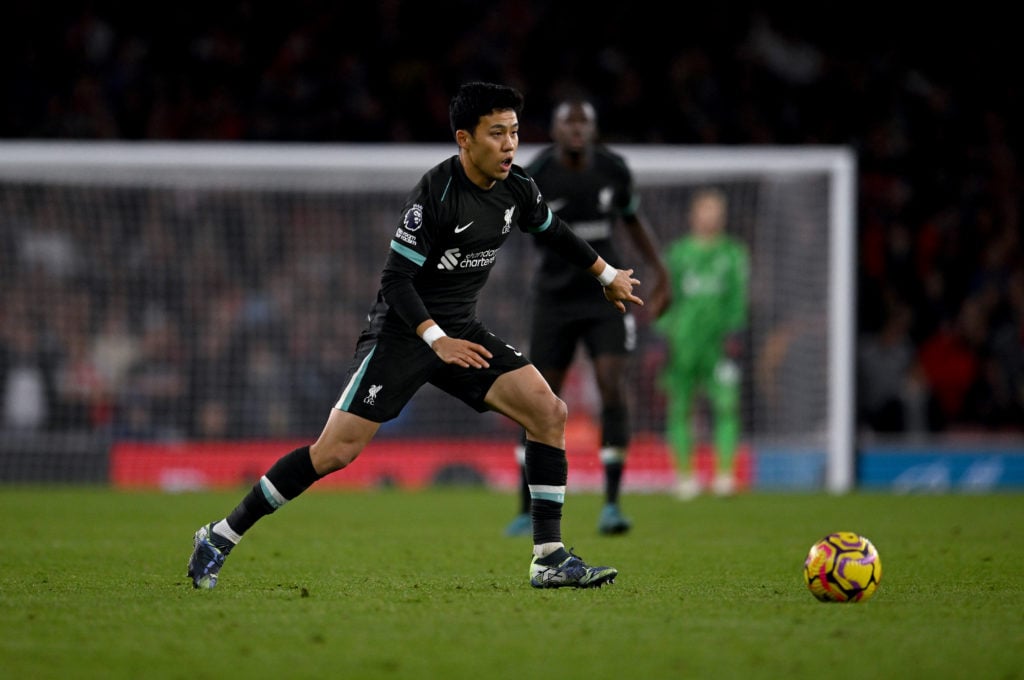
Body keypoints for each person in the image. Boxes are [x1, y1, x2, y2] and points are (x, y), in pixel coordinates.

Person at [187, 82, 645, 590]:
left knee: (548, 411)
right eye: (497, 134)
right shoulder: (436, 194)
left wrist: (608, 276)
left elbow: (553, 230)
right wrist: (435, 339)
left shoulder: (518, 187)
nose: (510, 145)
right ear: (464, 139)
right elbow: (395, 281)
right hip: (402, 335)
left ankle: (549, 557)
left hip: (461, 331)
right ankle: (221, 535)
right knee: (334, 453)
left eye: (515, 132)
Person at [504, 97, 670, 537]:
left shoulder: (614, 170)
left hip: (606, 297)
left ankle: (612, 505)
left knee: (612, 385)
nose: (576, 129)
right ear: (554, 130)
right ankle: (525, 509)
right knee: (539, 399)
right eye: (568, 122)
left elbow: (632, 221)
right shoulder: (536, 175)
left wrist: (660, 271)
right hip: (553, 299)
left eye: (585, 122)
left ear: (594, 130)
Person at [656, 187, 749, 499]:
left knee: (726, 404)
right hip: (682, 344)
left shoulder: (734, 253)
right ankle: (685, 476)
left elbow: (738, 297)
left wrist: (735, 332)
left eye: (716, 212)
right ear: (693, 215)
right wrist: (664, 334)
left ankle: (725, 475)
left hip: (719, 344)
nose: (711, 218)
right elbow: (666, 299)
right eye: (706, 211)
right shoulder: (678, 254)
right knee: (680, 408)